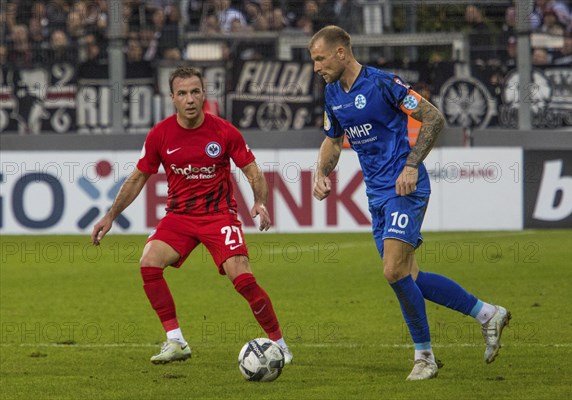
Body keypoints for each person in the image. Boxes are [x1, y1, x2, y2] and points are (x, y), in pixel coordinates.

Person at [308, 26, 511, 381]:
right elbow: (333, 140)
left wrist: (412, 165)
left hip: (405, 189)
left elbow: (433, 117)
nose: (316, 67)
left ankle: (425, 357)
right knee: (409, 276)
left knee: (393, 271)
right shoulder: (331, 94)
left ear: (341, 53)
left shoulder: (383, 84)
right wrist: (321, 171)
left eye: (320, 59)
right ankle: (487, 313)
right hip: (377, 197)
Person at [91, 66, 293, 365]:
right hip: (180, 217)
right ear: (172, 97)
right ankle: (176, 341)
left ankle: (280, 346)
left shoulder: (223, 131)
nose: (189, 99)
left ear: (203, 94)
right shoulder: (161, 134)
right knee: (149, 261)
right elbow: (138, 178)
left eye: (195, 92)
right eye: (182, 93)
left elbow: (252, 170)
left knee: (243, 278)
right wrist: (111, 215)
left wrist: (260, 202)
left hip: (219, 216)